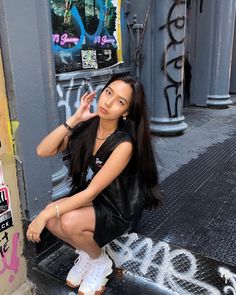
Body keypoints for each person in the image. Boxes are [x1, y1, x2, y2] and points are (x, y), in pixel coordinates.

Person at [26, 75, 162, 295]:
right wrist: (75, 118)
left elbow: (90, 193)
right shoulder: (90, 126)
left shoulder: (124, 144)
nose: (108, 102)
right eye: (108, 92)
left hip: (120, 207)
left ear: (126, 112)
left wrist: (44, 214)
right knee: (52, 220)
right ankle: (88, 254)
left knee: (64, 220)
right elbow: (43, 150)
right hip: (99, 198)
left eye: (120, 101)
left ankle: (100, 261)